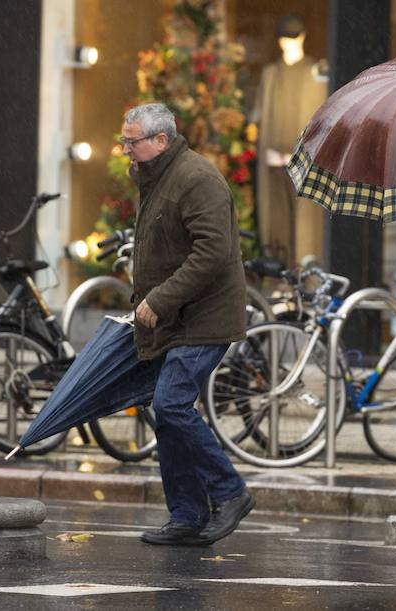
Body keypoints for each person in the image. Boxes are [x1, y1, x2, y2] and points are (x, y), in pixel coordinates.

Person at [122, 102, 254, 546]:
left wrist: (159, 298)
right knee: (167, 412)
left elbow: (212, 253)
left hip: (204, 317)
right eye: (125, 140)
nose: (126, 149)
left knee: (172, 404)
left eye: (132, 141)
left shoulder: (196, 178)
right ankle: (187, 514)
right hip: (175, 319)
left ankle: (230, 493)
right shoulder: (157, 176)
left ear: (161, 140)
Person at [251, 14, 327, 265]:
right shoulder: (271, 74)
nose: (289, 43)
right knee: (276, 222)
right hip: (273, 159)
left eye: (293, 38)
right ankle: (279, 275)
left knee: (306, 224)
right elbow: (259, 114)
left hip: (303, 161)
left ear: (303, 37)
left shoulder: (314, 71)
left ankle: (306, 275)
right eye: (285, 39)